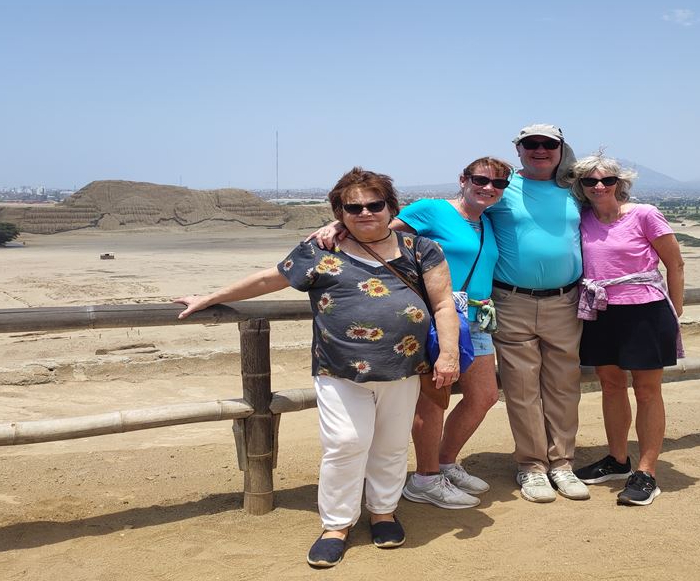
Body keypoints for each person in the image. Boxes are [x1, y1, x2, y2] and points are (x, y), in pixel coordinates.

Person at [175, 168, 460, 568]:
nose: (365, 213)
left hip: (403, 367)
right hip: (339, 369)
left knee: (392, 444)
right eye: (353, 207)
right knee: (345, 443)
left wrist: (448, 355)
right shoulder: (320, 251)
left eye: (374, 205)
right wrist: (210, 298)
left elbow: (444, 303)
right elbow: (265, 281)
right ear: (339, 213)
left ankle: (383, 512)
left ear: (391, 207)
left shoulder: (420, 249)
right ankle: (337, 525)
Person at [393, 157, 513, 509]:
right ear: (463, 179)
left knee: (485, 395)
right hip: (439, 317)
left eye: (498, 184)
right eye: (481, 179)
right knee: (434, 399)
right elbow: (381, 239)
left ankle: (445, 463)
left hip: (476, 317)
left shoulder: (487, 221)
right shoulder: (431, 210)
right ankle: (425, 479)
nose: (489, 188)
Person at [568, 154, 684, 506]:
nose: (599, 186)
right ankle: (618, 459)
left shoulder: (645, 214)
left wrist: (675, 311)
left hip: (645, 310)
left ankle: (646, 472)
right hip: (601, 311)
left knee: (648, 391)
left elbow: (675, 263)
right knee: (610, 385)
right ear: (581, 187)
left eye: (607, 180)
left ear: (620, 183)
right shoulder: (582, 218)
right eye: (590, 181)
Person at [483, 124, 590, 503]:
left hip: (565, 302)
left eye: (549, 144)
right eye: (532, 144)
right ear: (519, 149)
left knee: (564, 386)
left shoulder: (577, 190)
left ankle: (562, 463)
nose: (540, 150)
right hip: (512, 302)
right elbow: (455, 214)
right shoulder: (497, 188)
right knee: (522, 387)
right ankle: (532, 467)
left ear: (562, 149)